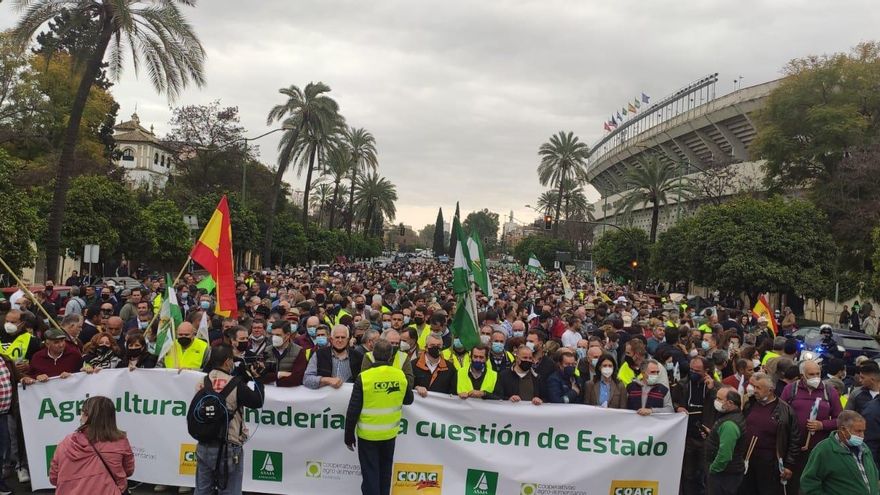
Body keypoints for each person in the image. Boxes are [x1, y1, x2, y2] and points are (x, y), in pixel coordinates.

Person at [344, 339, 414, 495]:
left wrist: (348, 436)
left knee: (370, 476)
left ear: (373, 356)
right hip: (389, 434)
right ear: (390, 356)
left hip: (368, 436)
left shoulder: (364, 377)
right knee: (385, 474)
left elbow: (353, 410)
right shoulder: (400, 375)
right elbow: (409, 400)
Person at [194, 345, 265, 495]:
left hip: (204, 444)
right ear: (227, 361)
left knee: (202, 490)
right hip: (230, 445)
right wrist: (258, 378)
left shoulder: (202, 381)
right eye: (232, 359)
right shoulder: (236, 384)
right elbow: (257, 401)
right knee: (230, 491)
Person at [49, 396, 134, 495]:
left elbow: (54, 478)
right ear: (111, 417)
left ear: (86, 415)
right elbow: (128, 470)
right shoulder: (120, 441)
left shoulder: (66, 443)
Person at [780, 359, 842, 493]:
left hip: (817, 448)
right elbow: (780, 414)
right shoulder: (791, 389)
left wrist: (822, 425)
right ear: (802, 376)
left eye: (818, 374)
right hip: (793, 447)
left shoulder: (829, 392)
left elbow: (840, 420)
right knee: (792, 482)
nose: (816, 378)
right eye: (811, 374)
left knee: (813, 481)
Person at [738, 372, 800, 495]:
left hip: (770, 464)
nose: (754, 391)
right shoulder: (749, 404)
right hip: (747, 460)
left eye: (758, 388)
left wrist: (789, 465)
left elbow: (794, 439)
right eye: (754, 387)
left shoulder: (786, 411)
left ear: (770, 390)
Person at [801, 410, 879, 495]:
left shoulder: (864, 448)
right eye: (858, 431)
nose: (862, 435)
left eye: (863, 431)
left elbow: (874, 477)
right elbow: (809, 482)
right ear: (843, 429)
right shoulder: (824, 450)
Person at [673, 356, 720, 495]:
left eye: (697, 370)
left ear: (707, 371)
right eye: (691, 369)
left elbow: (721, 406)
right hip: (687, 436)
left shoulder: (716, 386)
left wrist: (712, 390)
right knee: (688, 474)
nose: (693, 372)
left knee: (706, 474)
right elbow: (673, 402)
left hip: (706, 437)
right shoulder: (682, 384)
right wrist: (677, 408)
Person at [706, 386, 746, 495]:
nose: (716, 401)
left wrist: (713, 469)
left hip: (724, 475)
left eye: (719, 399)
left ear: (730, 403)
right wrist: (712, 435)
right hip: (728, 472)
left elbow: (725, 455)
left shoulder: (729, 424)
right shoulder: (732, 416)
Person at [846, 361, 880, 470]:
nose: (860, 380)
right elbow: (846, 417)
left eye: (862, 377)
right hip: (864, 442)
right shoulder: (856, 394)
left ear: (872, 379)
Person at [304, 325, 355, 389]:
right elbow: (306, 379)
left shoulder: (357, 357)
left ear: (348, 339)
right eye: (337, 337)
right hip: (324, 397)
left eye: (343, 337)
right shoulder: (319, 355)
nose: (340, 340)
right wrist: (326, 380)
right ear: (331, 339)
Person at [261, 320, 307, 387]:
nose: (274, 338)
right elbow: (261, 375)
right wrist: (279, 374)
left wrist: (274, 382)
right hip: (270, 394)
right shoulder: (267, 350)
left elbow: (297, 378)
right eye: (273, 335)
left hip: (291, 394)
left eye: (278, 335)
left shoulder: (299, 351)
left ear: (288, 335)